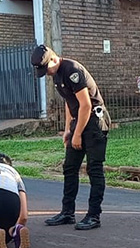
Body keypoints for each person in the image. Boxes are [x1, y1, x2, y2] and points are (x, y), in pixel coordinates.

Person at [32, 45, 109, 231]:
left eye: (46, 69)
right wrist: (68, 129)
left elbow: (85, 105)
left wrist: (77, 134)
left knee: (94, 169)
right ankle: (67, 212)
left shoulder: (72, 70)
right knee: (70, 167)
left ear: (53, 59)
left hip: (94, 121)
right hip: (79, 120)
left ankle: (94, 215)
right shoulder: (57, 74)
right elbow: (69, 101)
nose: (46, 73)